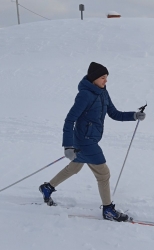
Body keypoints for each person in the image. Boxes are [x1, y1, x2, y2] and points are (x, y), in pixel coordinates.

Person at [39, 62, 146, 222]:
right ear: (94, 78)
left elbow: (114, 113)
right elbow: (69, 120)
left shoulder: (103, 93)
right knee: (103, 173)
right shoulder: (85, 95)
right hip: (84, 141)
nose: (106, 81)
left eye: (106, 77)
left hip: (90, 138)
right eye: (103, 77)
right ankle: (108, 210)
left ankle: (47, 188)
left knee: (74, 168)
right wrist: (68, 146)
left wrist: (134, 115)